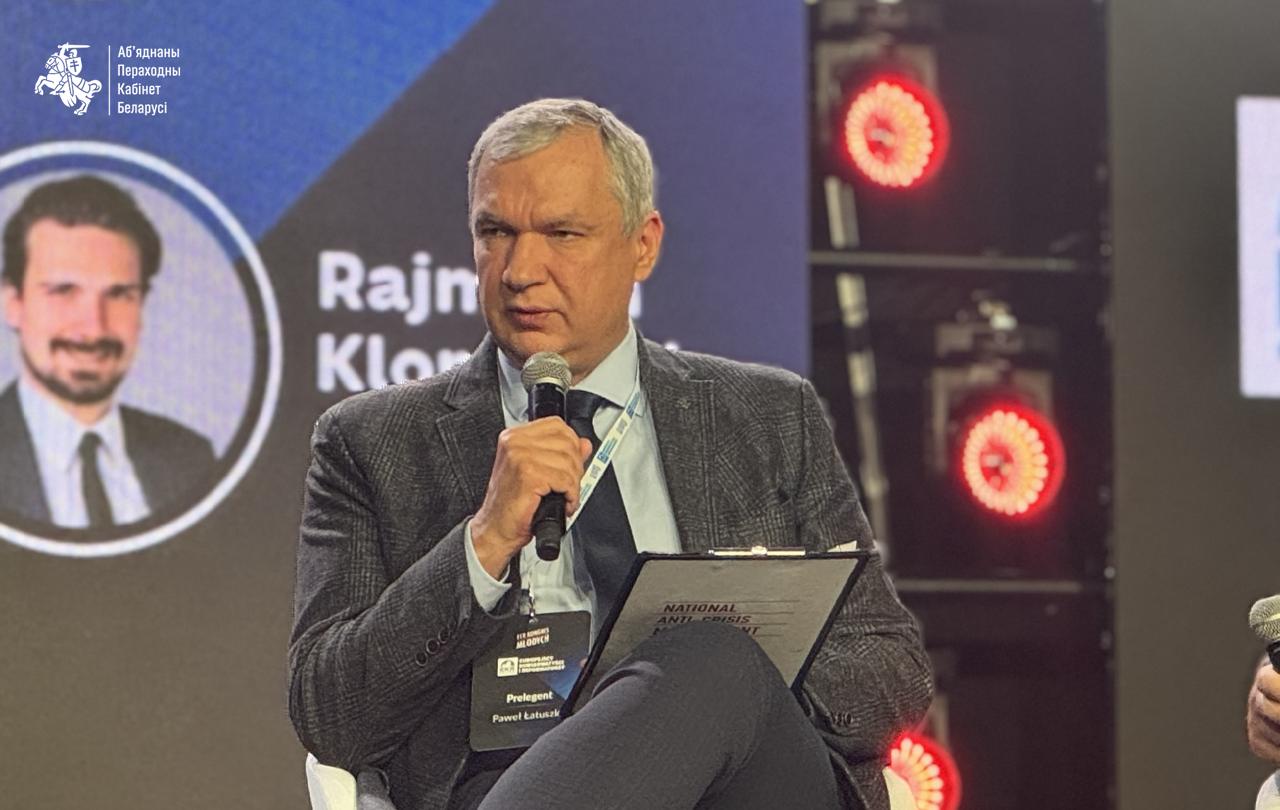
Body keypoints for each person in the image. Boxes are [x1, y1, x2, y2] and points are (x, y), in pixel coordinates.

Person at [289, 98, 931, 810]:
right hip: (504, 783)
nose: (520, 270)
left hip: (741, 782)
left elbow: (891, 668)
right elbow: (331, 716)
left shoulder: (769, 416)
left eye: (562, 233)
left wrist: (737, 665)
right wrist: (483, 542)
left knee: (713, 655)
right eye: (495, 232)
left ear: (642, 245)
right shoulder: (372, 441)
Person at [0, 175, 215, 529]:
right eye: (64, 291)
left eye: (118, 294)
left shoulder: (191, 458)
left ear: (141, 305)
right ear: (13, 303)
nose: (94, 328)